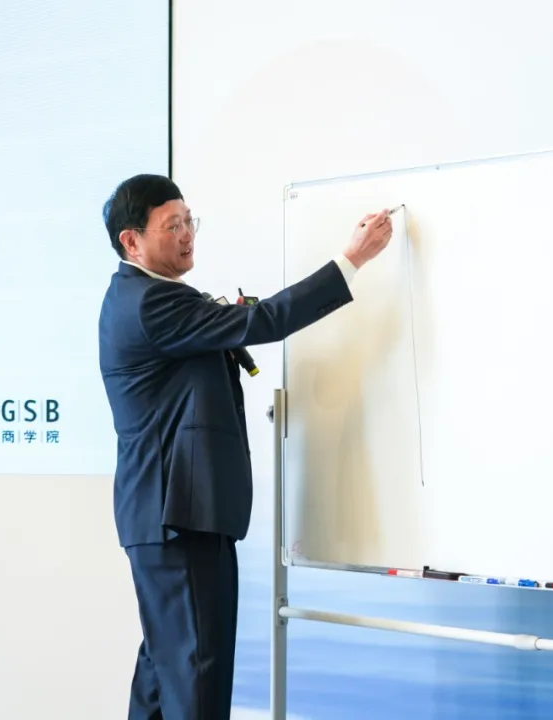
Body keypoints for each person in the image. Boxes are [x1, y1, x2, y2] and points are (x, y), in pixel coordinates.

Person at [97, 173, 393, 720]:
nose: (187, 234)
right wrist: (351, 260)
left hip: (168, 518)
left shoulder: (147, 298)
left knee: (166, 671)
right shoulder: (149, 302)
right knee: (196, 675)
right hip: (178, 519)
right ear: (131, 241)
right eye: (172, 226)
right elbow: (265, 320)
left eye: (189, 221)